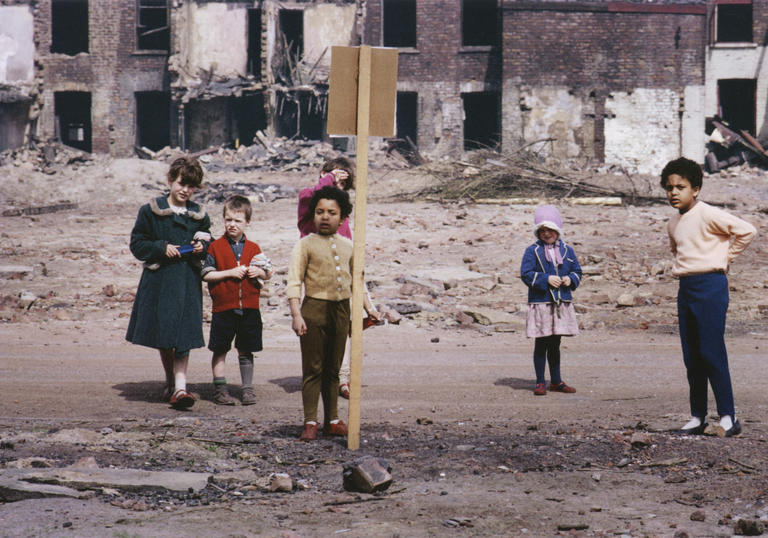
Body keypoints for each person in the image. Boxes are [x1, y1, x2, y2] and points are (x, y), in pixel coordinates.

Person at [661, 157, 756, 437]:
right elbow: (677, 251)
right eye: (669, 187)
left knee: (711, 352)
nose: (674, 192)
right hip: (686, 288)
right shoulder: (672, 223)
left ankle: (728, 417)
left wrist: (724, 257)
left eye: (681, 186)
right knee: (692, 356)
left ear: (696, 189)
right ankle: (697, 416)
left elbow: (747, 231)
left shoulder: (708, 213)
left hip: (711, 286)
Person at [287, 186, 378, 441]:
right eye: (319, 212)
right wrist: (296, 314)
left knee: (333, 370)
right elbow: (294, 281)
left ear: (342, 217)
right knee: (313, 368)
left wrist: (369, 309)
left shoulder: (349, 246)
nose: (325, 217)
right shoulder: (304, 245)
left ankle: (333, 420)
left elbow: (357, 282)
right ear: (313, 215)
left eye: (331, 213)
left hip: (341, 311)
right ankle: (310, 421)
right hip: (313, 310)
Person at [126, 156, 211, 410]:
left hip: (187, 280)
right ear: (170, 180)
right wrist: (162, 247)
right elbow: (137, 244)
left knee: (184, 334)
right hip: (160, 281)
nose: (186, 190)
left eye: (191, 186)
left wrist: (201, 246)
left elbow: (209, 242)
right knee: (165, 335)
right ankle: (172, 382)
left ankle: (181, 388)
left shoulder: (199, 214)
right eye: (182, 183)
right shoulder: (150, 211)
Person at [296, 157, 379, 399]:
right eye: (334, 179)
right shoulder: (308, 202)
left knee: (345, 329)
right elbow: (313, 196)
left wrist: (368, 304)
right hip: (318, 282)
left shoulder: (341, 220)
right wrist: (331, 179)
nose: (336, 192)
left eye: (342, 186)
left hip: (344, 280)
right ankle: (320, 376)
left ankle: (341, 378)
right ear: (323, 175)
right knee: (320, 331)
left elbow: (354, 265)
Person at [202, 195, 273, 406]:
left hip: (250, 307)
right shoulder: (215, 247)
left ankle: (247, 389)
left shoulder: (254, 248)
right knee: (220, 349)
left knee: (246, 349)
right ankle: (220, 389)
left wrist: (258, 271)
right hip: (223, 308)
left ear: (247, 223)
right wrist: (230, 273)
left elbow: (268, 273)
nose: (232, 225)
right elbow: (206, 274)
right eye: (228, 220)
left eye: (238, 220)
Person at [520, 205, 582, 396]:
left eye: (550, 230)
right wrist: (545, 279)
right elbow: (526, 274)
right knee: (541, 343)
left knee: (555, 343)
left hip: (560, 304)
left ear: (558, 229)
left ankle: (556, 381)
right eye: (542, 231)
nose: (547, 234)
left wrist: (570, 279)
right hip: (541, 302)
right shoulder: (532, 251)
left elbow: (577, 271)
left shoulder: (567, 250)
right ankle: (540, 381)